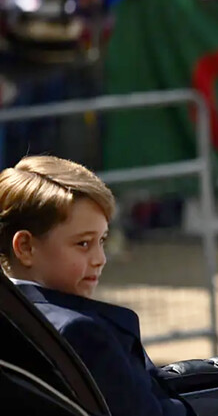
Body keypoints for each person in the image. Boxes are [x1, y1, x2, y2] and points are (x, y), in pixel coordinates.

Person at [0, 155, 193, 416]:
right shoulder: (80, 333)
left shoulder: (13, 316)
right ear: (25, 247)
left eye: (102, 240)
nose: (100, 259)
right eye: (83, 244)